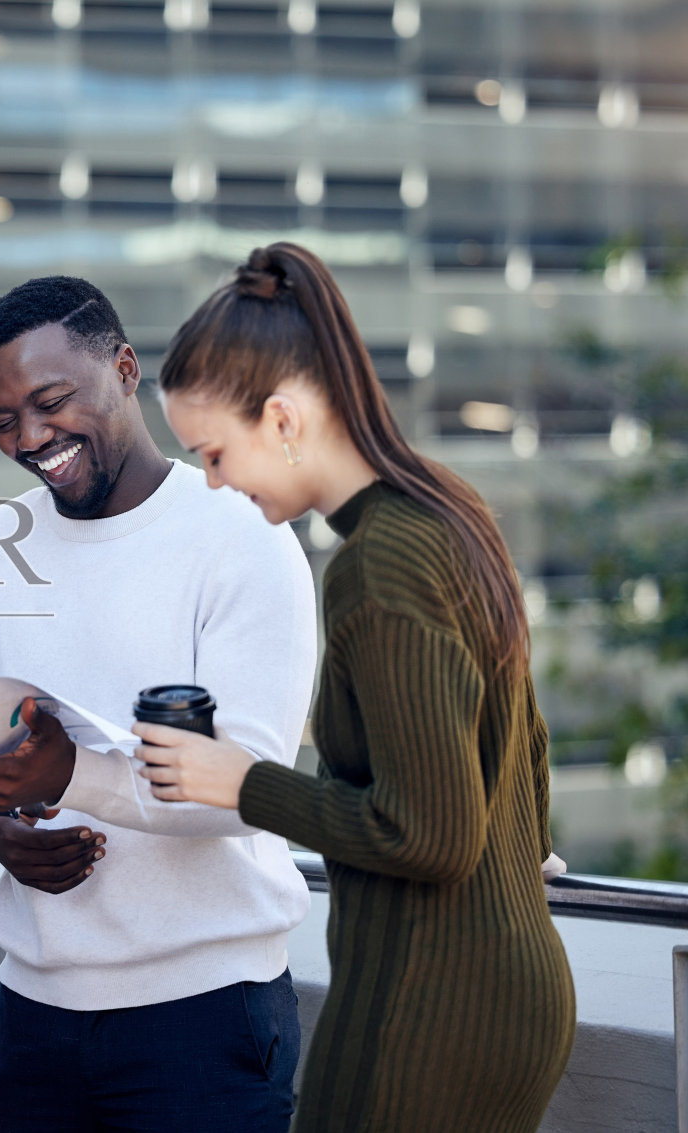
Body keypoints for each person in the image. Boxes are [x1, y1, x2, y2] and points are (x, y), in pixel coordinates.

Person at [138, 242, 576, 1133]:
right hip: (518, 985)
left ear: (284, 417)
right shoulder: (449, 507)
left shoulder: (375, 566)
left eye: (216, 453)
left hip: (431, 1006)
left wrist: (241, 783)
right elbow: (522, 740)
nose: (215, 483)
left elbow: (430, 834)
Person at [0, 277, 318, 1133]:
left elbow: (251, 781)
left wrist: (69, 774)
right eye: (3, 420)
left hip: (205, 1018)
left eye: (51, 401)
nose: (30, 437)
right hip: (32, 1016)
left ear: (126, 369)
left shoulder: (242, 537)